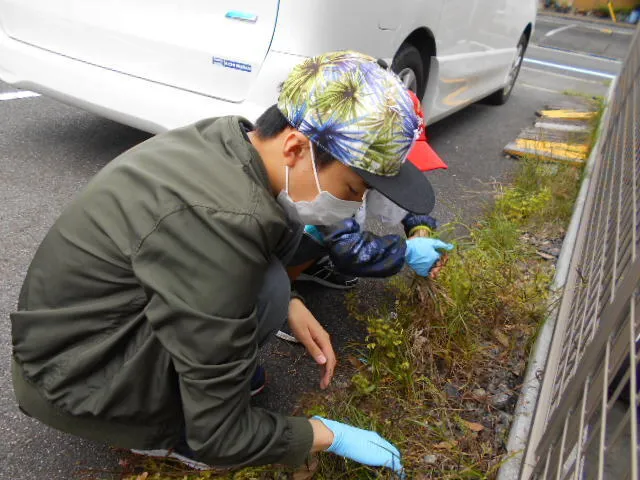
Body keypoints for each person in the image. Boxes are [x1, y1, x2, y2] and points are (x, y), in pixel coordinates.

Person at [11, 51, 446, 474]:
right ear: (295, 147)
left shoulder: (230, 141)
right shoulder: (221, 222)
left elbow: (261, 257)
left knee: (273, 287)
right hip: (71, 378)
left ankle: (194, 380)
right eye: (353, 189)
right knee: (258, 303)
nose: (356, 205)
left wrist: (291, 304)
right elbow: (221, 436)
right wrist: (323, 434)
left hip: (83, 328)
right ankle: (158, 432)